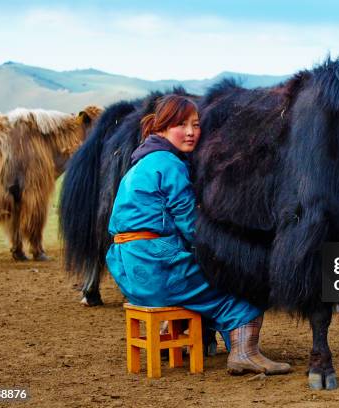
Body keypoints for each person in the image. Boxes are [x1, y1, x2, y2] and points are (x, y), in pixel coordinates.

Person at [105, 95, 291, 375]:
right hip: (157, 269)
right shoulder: (168, 163)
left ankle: (186, 339)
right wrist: (226, 249)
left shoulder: (140, 163)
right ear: (161, 129)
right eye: (181, 124)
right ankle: (245, 353)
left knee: (206, 280)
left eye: (195, 124)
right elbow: (190, 225)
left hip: (130, 269)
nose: (191, 132)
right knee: (241, 287)